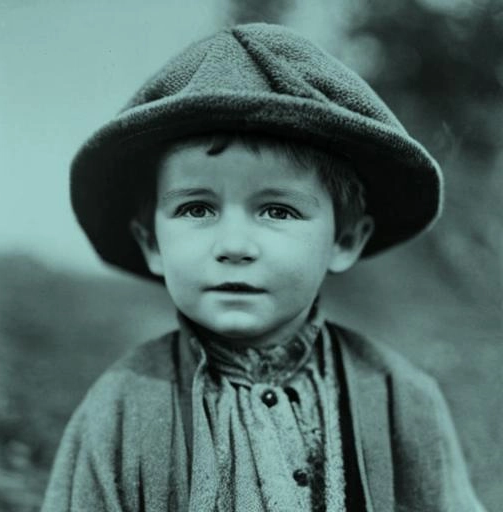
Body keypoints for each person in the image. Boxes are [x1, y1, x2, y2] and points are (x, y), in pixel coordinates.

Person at [41, 23, 485, 511]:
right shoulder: (120, 410)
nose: (233, 246)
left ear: (344, 240)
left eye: (278, 210)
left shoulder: (402, 400)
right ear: (152, 244)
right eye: (196, 208)